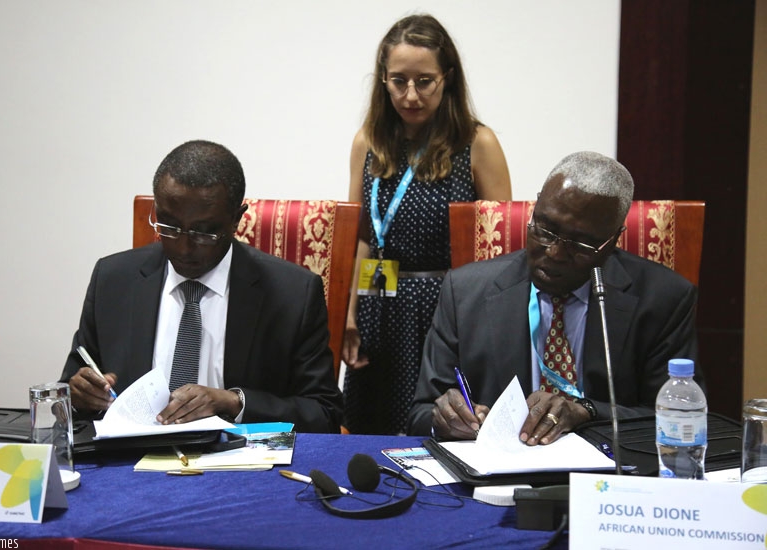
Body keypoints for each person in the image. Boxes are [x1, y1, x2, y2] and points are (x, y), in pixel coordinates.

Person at [407, 151, 703, 444]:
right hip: (497, 467)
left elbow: (679, 417)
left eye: (581, 244)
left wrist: (587, 412)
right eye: (546, 230)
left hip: (607, 465)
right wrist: (445, 420)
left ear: (613, 240)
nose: (555, 253)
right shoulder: (465, 292)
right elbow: (421, 414)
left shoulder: (663, 298)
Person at [60, 140, 343, 433]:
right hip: (130, 456)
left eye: (204, 232)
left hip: (238, 457)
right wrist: (79, 396)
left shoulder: (292, 294)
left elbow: (324, 414)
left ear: (236, 219)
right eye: (169, 227)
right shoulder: (113, 280)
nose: (183, 248)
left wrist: (234, 402)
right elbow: (70, 391)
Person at [342, 14, 512, 434]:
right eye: (399, 81)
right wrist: (349, 314)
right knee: (371, 430)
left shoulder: (476, 142)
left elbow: (501, 248)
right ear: (383, 79)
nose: (411, 95)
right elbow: (361, 236)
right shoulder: (369, 141)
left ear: (447, 79)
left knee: (438, 429)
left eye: (425, 82)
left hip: (446, 309)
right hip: (379, 298)